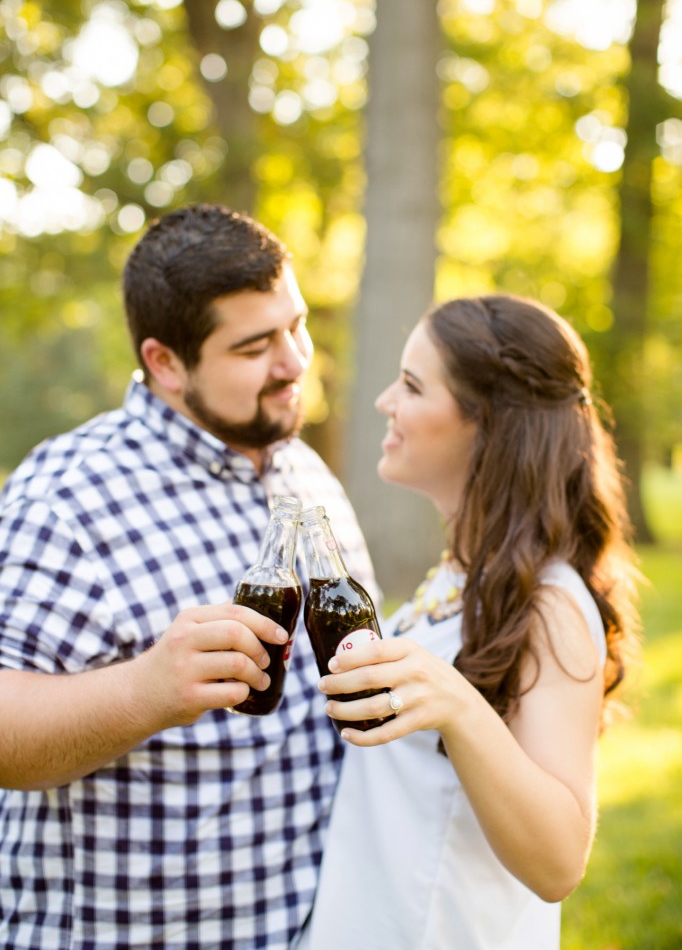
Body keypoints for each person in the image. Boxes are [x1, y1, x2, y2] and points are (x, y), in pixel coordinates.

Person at [0, 204, 378, 950]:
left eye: (295, 326)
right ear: (166, 363)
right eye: (255, 346)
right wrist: (146, 690)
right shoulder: (67, 498)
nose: (296, 361)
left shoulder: (304, 473)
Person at [299, 294, 641, 950]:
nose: (384, 403)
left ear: (486, 425)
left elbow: (559, 862)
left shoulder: (549, 604)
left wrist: (458, 704)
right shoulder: (460, 576)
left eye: (411, 385)